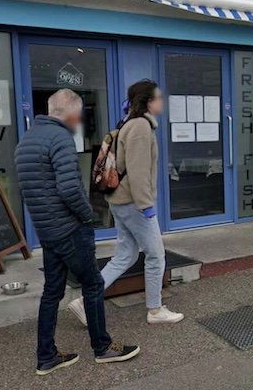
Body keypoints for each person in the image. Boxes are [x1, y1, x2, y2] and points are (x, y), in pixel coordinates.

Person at [16, 88, 141, 376]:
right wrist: (88, 216)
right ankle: (103, 348)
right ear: (73, 114)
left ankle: (46, 356)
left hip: (47, 230)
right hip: (70, 228)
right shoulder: (60, 138)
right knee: (93, 285)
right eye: (80, 115)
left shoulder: (27, 141)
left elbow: (31, 190)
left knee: (52, 291)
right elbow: (69, 188)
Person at [69, 79, 184, 326]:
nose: (162, 101)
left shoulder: (129, 123)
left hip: (120, 200)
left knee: (125, 255)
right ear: (149, 102)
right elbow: (138, 171)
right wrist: (146, 206)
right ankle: (155, 310)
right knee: (156, 255)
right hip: (134, 203)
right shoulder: (140, 126)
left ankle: (86, 301)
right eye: (159, 97)